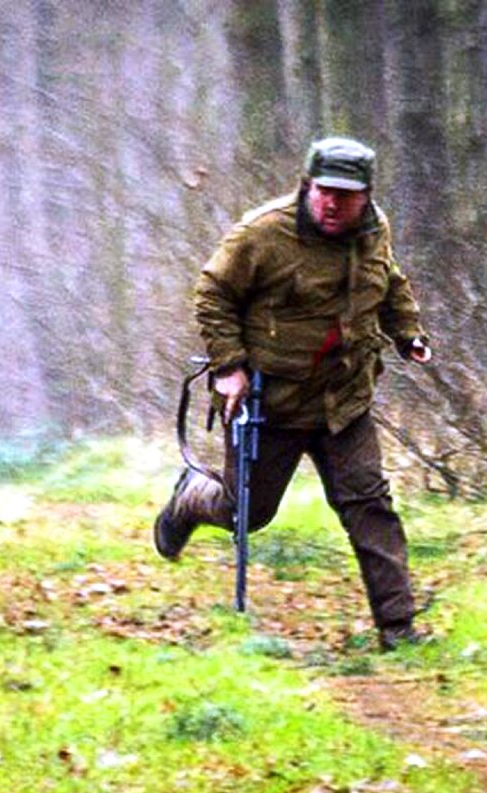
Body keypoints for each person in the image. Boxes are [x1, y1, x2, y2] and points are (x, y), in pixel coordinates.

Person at [153, 137, 432, 651]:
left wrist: (407, 333)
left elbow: (389, 282)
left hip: (343, 401)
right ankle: (191, 499)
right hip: (270, 405)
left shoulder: (375, 231)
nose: (332, 203)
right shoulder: (263, 234)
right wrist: (229, 367)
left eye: (346, 196)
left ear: (366, 196)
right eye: (324, 191)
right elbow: (213, 294)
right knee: (248, 514)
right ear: (307, 186)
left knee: (369, 506)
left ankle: (400, 630)